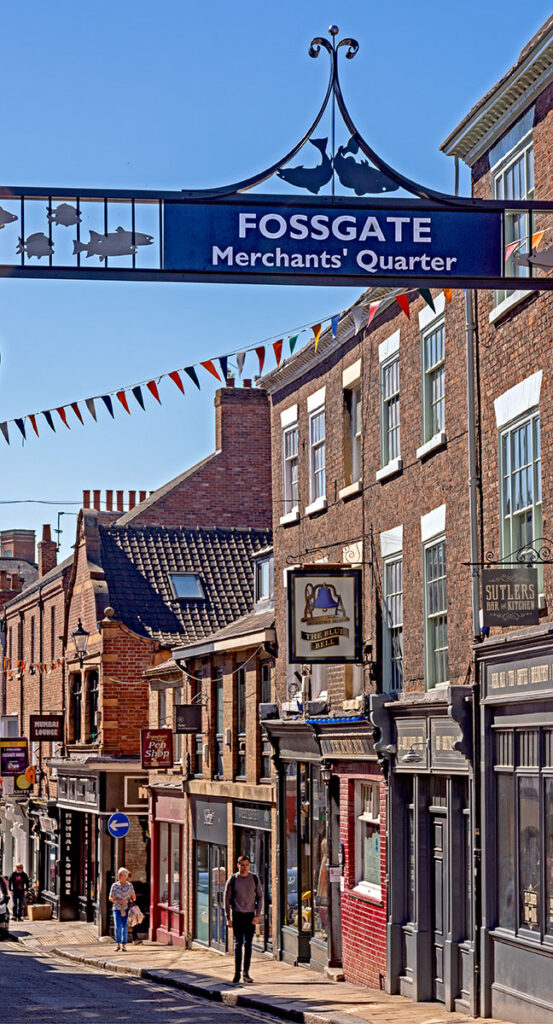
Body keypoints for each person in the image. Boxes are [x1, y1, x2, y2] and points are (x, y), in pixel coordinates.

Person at [224, 854, 263, 985]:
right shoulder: (233, 880)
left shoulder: (254, 879)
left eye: (247, 865)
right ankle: (237, 973)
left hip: (250, 916)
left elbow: (260, 897)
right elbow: (227, 899)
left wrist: (257, 915)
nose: (245, 867)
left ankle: (246, 974)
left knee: (248, 945)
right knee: (238, 944)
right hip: (237, 915)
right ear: (238, 865)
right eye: (242, 865)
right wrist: (228, 918)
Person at [109, 867, 135, 952]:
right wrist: (118, 901)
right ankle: (117, 944)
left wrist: (128, 900)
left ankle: (124, 945)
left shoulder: (129, 885)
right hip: (117, 908)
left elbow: (134, 898)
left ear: (125, 876)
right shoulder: (114, 885)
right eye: (118, 874)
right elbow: (110, 898)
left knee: (125, 926)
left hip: (126, 909)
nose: (118, 876)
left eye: (121, 875)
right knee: (118, 926)